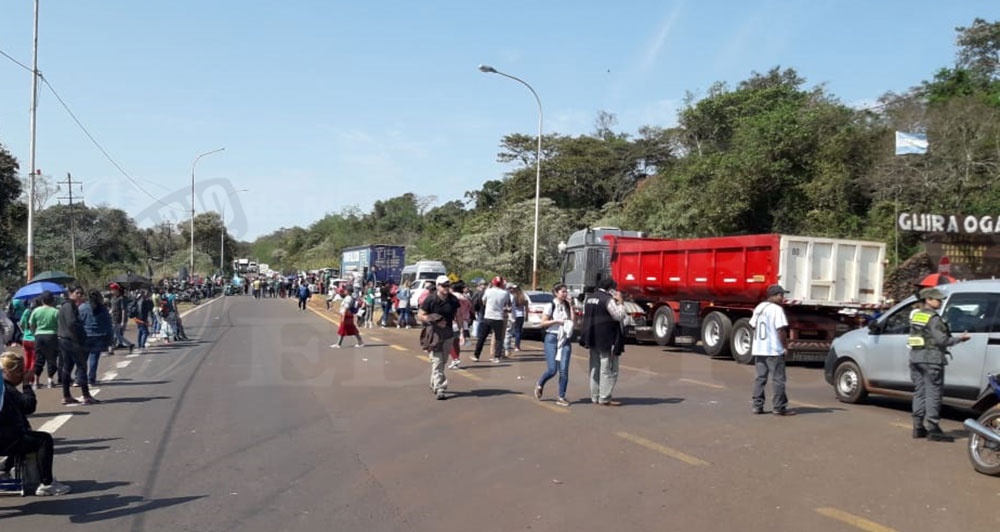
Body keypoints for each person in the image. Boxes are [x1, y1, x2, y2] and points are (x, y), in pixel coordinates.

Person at [0, 352, 72, 495]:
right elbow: (29, 406)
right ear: (8, 372)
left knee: (24, 433)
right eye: (19, 371)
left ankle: (4, 469)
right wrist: (27, 385)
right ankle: (47, 483)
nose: (22, 374)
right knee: (44, 440)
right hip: (5, 440)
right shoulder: (7, 389)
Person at [908, 287, 970, 441]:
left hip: (916, 358)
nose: (941, 302)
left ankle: (918, 427)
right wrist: (960, 339)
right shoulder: (934, 318)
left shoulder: (917, 316)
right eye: (938, 299)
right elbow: (942, 340)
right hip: (932, 359)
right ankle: (933, 428)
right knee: (933, 393)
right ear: (928, 300)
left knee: (920, 392)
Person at [749, 284, 795, 416]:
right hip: (773, 350)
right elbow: (781, 330)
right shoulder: (776, 309)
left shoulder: (759, 307)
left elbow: (752, 325)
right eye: (780, 295)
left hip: (759, 349)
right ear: (773, 296)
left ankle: (757, 406)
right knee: (778, 379)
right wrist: (785, 346)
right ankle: (779, 407)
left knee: (760, 378)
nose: (782, 298)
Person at [579, 277, 626, 406]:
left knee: (594, 367)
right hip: (606, 339)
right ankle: (604, 397)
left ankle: (595, 396)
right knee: (607, 369)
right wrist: (621, 302)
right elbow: (619, 316)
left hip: (592, 337)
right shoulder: (607, 300)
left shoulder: (589, 298)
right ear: (610, 289)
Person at [418, 276, 459, 400]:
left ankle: (434, 383)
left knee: (443, 361)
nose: (446, 288)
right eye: (443, 285)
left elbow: (458, 315)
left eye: (448, 285)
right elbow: (421, 315)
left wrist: (463, 331)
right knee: (437, 361)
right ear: (438, 286)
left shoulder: (453, 299)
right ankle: (440, 387)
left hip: (448, 333)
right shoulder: (430, 299)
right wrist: (433, 320)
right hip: (434, 333)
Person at [57, 286, 99, 405]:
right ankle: (86, 395)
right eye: (77, 293)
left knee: (68, 367)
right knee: (81, 366)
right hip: (71, 340)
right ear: (70, 293)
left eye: (81, 293)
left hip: (65, 339)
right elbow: (72, 323)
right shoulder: (69, 306)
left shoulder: (66, 306)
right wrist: (79, 337)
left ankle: (67, 395)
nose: (80, 295)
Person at [535, 283, 574, 407]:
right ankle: (540, 383)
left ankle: (561, 396)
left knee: (564, 370)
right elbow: (543, 323)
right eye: (563, 292)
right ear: (556, 293)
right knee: (552, 370)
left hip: (564, 338)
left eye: (566, 291)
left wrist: (571, 305)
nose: (565, 294)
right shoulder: (550, 305)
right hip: (552, 337)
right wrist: (556, 321)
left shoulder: (567, 305)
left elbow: (573, 320)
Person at [79, 290, 114, 386]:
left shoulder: (82, 308)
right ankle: (91, 379)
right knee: (94, 358)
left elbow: (79, 322)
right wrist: (110, 337)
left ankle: (80, 378)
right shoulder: (103, 309)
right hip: (98, 336)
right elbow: (108, 324)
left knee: (83, 359)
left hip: (85, 336)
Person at [472, 276, 510, 363]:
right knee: (498, 338)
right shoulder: (505, 293)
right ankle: (497, 356)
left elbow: (483, 301)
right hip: (498, 317)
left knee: (482, 337)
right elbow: (506, 303)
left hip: (488, 316)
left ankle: (476, 355)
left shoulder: (488, 291)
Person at [28, 291, 60, 388]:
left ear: (42, 300)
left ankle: (36, 381)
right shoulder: (55, 311)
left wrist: (34, 333)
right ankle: (50, 380)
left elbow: (31, 324)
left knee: (39, 358)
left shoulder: (36, 311)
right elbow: (59, 324)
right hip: (52, 336)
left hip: (39, 336)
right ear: (52, 300)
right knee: (52, 358)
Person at [447, 281, 472, 370]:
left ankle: (455, 358)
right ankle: (455, 361)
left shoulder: (453, 297)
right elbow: (470, 308)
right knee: (456, 342)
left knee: (448, 341)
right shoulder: (465, 297)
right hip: (464, 321)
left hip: (454, 321)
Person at [17, 299, 39, 386]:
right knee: (34, 360)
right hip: (34, 338)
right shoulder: (37, 312)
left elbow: (21, 323)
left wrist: (24, 330)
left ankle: (26, 379)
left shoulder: (26, 311)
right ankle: (31, 379)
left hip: (25, 338)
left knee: (27, 359)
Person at [108, 283, 135, 355]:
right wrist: (109, 312)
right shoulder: (113, 298)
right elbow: (112, 308)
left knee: (114, 334)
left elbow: (123, 310)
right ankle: (112, 348)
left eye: (113, 289)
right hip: (113, 317)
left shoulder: (121, 299)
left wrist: (123, 321)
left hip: (117, 318)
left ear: (117, 290)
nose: (112, 291)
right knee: (115, 334)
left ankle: (112, 349)